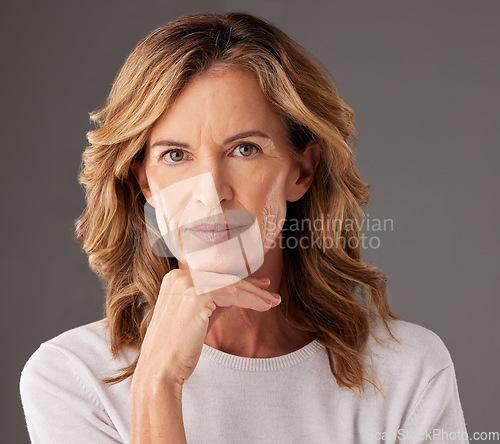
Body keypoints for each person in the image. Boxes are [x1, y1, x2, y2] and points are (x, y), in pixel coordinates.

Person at [19, 12, 469, 444]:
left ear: (302, 171)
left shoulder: (409, 371)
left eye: (244, 149)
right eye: (175, 155)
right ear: (145, 182)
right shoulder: (72, 378)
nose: (211, 193)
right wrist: (156, 385)